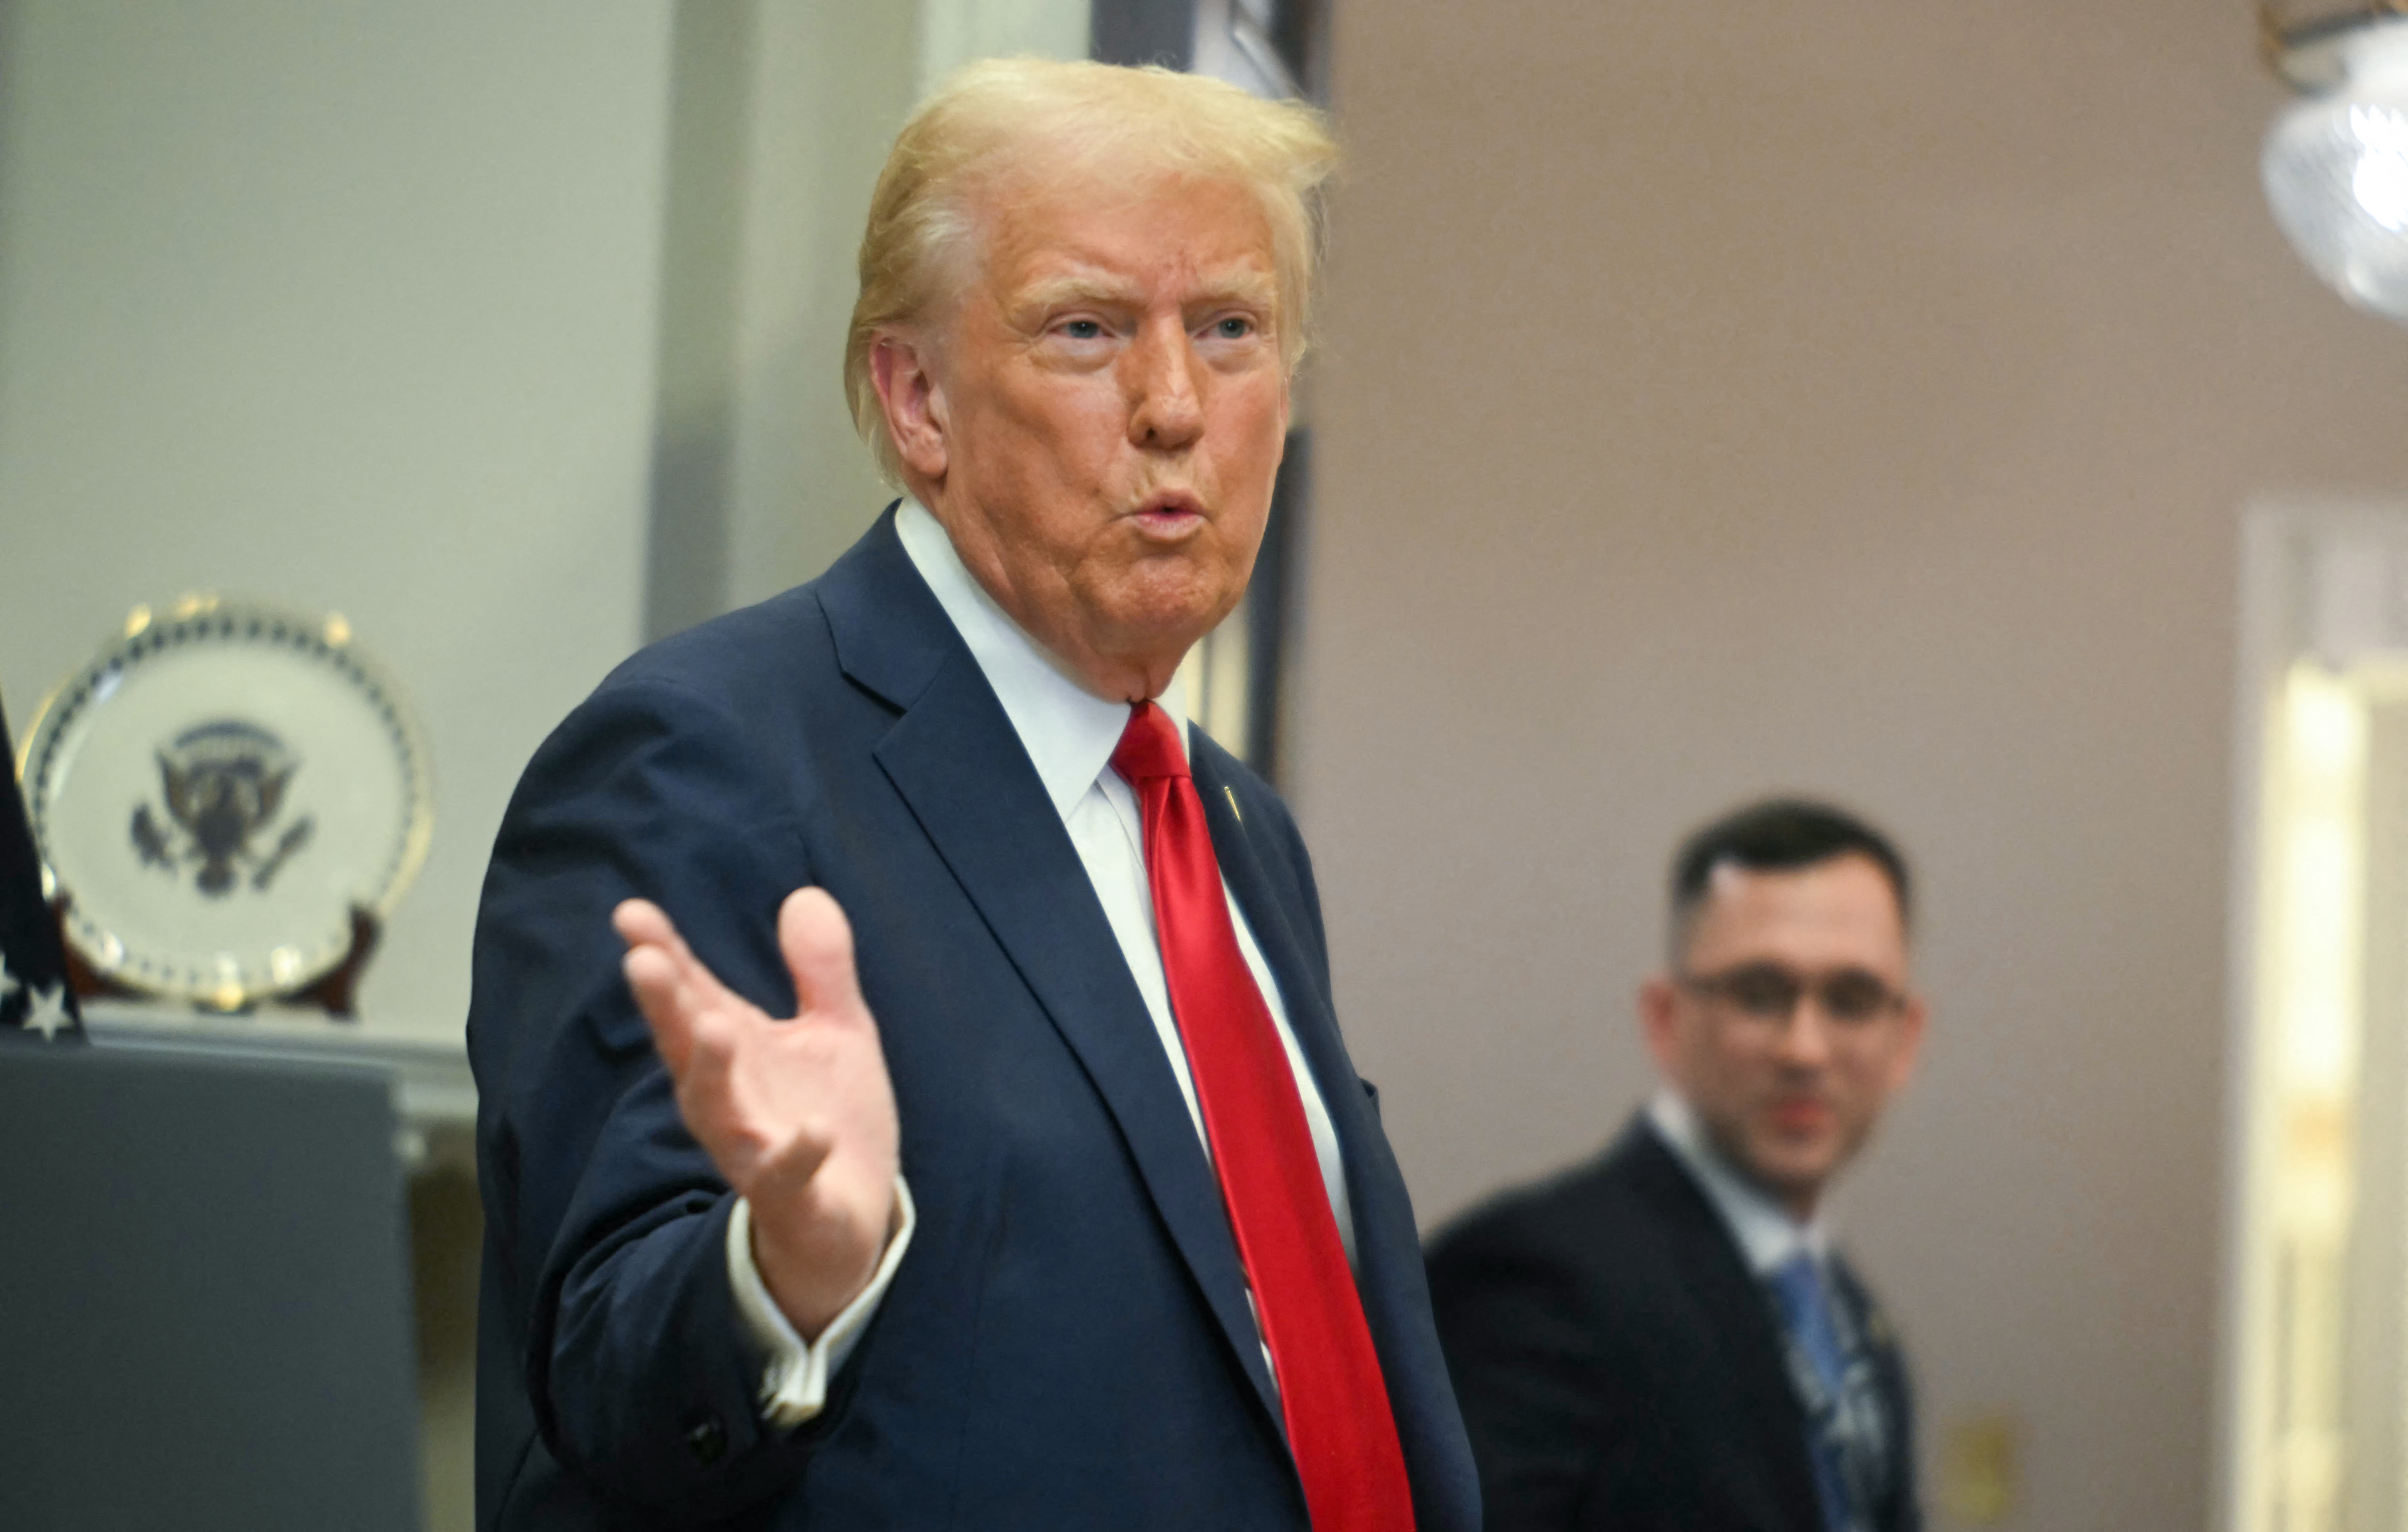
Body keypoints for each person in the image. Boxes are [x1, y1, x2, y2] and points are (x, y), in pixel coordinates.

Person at [467, 59, 1477, 1531]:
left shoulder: (1238, 828)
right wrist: (789, 1265)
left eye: (1230, 329)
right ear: (917, 396)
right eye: (1086, 330)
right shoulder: (700, 755)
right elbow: (604, 1384)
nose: (1175, 405)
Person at [1426, 799, 1930, 1532]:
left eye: (1850, 1000)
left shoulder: (1847, 1312)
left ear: (1904, 1038)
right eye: (1759, 993)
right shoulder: (1537, 1278)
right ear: (1665, 1017)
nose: (1804, 1048)